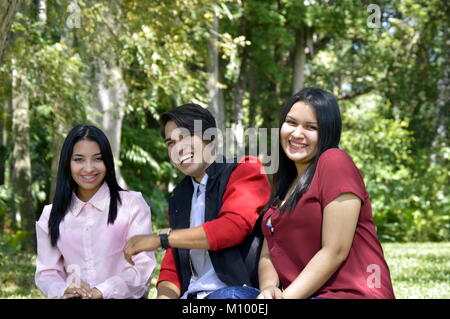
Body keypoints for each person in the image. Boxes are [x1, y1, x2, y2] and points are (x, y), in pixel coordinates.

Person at [257, 88, 395, 299]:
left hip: (351, 293)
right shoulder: (284, 183)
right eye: (291, 123)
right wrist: (269, 289)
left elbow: (335, 251)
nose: (296, 133)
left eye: (310, 127)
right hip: (304, 295)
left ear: (327, 133)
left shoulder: (334, 162)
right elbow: (268, 252)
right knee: (228, 296)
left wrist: (285, 298)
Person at [124, 103, 270, 299]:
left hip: (237, 294)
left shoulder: (244, 170)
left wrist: (160, 238)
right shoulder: (179, 196)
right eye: (170, 143)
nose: (178, 149)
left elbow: (232, 228)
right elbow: (172, 266)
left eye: (184, 137)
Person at [35, 124, 156, 299]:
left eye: (97, 159)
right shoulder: (50, 215)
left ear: (107, 161)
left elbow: (143, 267)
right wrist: (63, 290)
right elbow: (46, 273)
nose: (89, 168)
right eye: (79, 159)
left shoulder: (132, 205)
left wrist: (103, 291)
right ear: (67, 163)